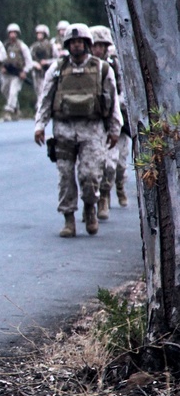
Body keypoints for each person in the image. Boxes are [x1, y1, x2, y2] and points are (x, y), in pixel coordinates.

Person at [33, 24, 121, 237]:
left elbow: (113, 100)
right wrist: (40, 125)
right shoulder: (57, 69)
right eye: (73, 42)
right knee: (65, 176)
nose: (76, 45)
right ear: (67, 45)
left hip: (92, 130)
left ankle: (90, 208)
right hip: (64, 129)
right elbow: (46, 98)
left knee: (90, 175)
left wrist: (115, 128)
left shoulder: (102, 69)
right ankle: (69, 219)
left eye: (80, 41)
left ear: (87, 44)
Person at [90, 25, 129, 217]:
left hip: (116, 120)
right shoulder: (85, 67)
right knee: (94, 166)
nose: (98, 49)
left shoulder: (115, 65)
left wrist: (114, 104)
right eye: (95, 45)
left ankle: (115, 189)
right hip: (94, 123)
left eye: (101, 45)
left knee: (116, 165)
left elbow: (125, 91)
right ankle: (98, 199)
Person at [0, 23, 33, 121]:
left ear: (17, 34)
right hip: (7, 74)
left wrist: (24, 71)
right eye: (11, 33)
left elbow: (29, 61)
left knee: (13, 91)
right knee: (4, 90)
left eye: (14, 33)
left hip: (18, 73)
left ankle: (9, 111)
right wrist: (2, 67)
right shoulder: (5, 46)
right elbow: (1, 58)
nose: (12, 35)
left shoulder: (22, 46)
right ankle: (15, 108)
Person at [30, 25, 58, 109]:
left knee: (43, 91)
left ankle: (40, 108)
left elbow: (57, 59)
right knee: (38, 91)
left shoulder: (51, 45)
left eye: (41, 33)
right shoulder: (33, 46)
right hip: (37, 73)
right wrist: (35, 64)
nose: (39, 35)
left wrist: (47, 62)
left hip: (47, 71)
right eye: (38, 33)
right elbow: (28, 59)